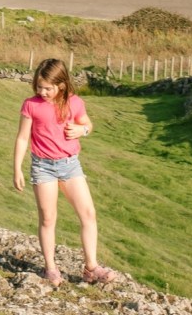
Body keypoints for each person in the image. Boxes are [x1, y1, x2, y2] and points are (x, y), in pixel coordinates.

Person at [13, 58, 118, 287]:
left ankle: (91, 267)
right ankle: (50, 268)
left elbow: (88, 124)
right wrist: (17, 169)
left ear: (61, 84)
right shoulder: (31, 105)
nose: (42, 91)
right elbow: (22, 138)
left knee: (88, 214)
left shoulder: (75, 102)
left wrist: (82, 130)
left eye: (48, 88)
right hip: (42, 167)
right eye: (39, 86)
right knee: (48, 218)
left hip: (70, 165)